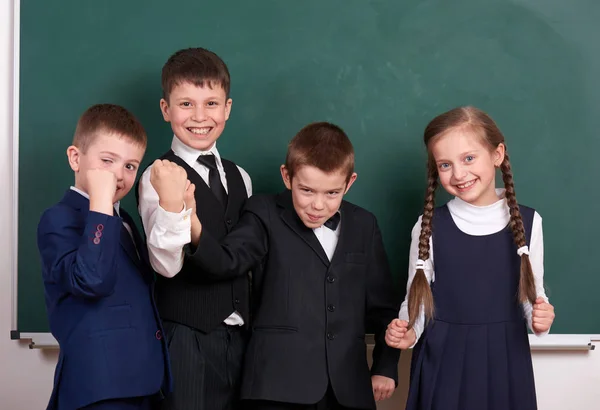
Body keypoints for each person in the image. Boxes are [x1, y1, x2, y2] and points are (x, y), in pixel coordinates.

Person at [152, 122, 400, 409]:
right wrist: (192, 222)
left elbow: (383, 307)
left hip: (348, 389)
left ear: (350, 182)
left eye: (332, 193)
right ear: (287, 176)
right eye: (306, 190)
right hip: (276, 388)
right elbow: (225, 261)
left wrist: (385, 364)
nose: (318, 205)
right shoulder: (264, 212)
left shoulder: (364, 224)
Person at [386, 106, 555, 410]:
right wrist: (408, 332)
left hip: (506, 360)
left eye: (468, 158)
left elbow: (533, 298)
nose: (459, 174)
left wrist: (541, 320)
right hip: (443, 361)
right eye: (445, 164)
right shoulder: (428, 226)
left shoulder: (531, 222)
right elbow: (417, 302)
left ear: (497, 154)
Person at [137, 47, 253, 410]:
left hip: (241, 339)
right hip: (186, 338)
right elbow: (166, 265)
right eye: (186, 104)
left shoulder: (241, 177)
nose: (200, 116)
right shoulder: (155, 177)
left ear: (228, 109)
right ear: (165, 109)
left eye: (211, 103)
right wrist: (176, 206)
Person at [37, 104, 171, 410]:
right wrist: (99, 202)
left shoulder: (123, 222)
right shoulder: (58, 219)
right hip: (100, 386)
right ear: (76, 158)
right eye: (107, 161)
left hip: (144, 381)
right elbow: (92, 280)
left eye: (130, 166)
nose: (119, 175)